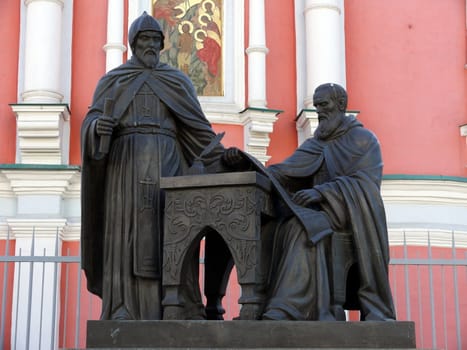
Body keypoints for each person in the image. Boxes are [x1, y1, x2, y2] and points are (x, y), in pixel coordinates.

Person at [80, 12, 230, 320]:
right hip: (126, 165)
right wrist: (98, 128)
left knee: (174, 232)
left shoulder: (177, 80)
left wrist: (225, 157)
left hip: (168, 165)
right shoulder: (114, 80)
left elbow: (198, 129)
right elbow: (92, 120)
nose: (150, 45)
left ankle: (177, 306)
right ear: (133, 43)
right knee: (125, 234)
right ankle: (122, 308)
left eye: (155, 40)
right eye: (144, 39)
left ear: (162, 44)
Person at [239, 83, 396, 321]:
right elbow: (283, 173)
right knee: (279, 226)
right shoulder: (315, 144)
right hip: (316, 214)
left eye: (324, 104)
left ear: (341, 105)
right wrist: (244, 163)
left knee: (305, 229)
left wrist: (322, 193)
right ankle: (276, 305)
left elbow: (367, 187)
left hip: (348, 217)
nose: (319, 111)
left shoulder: (363, 140)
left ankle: (288, 309)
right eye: (316, 106)